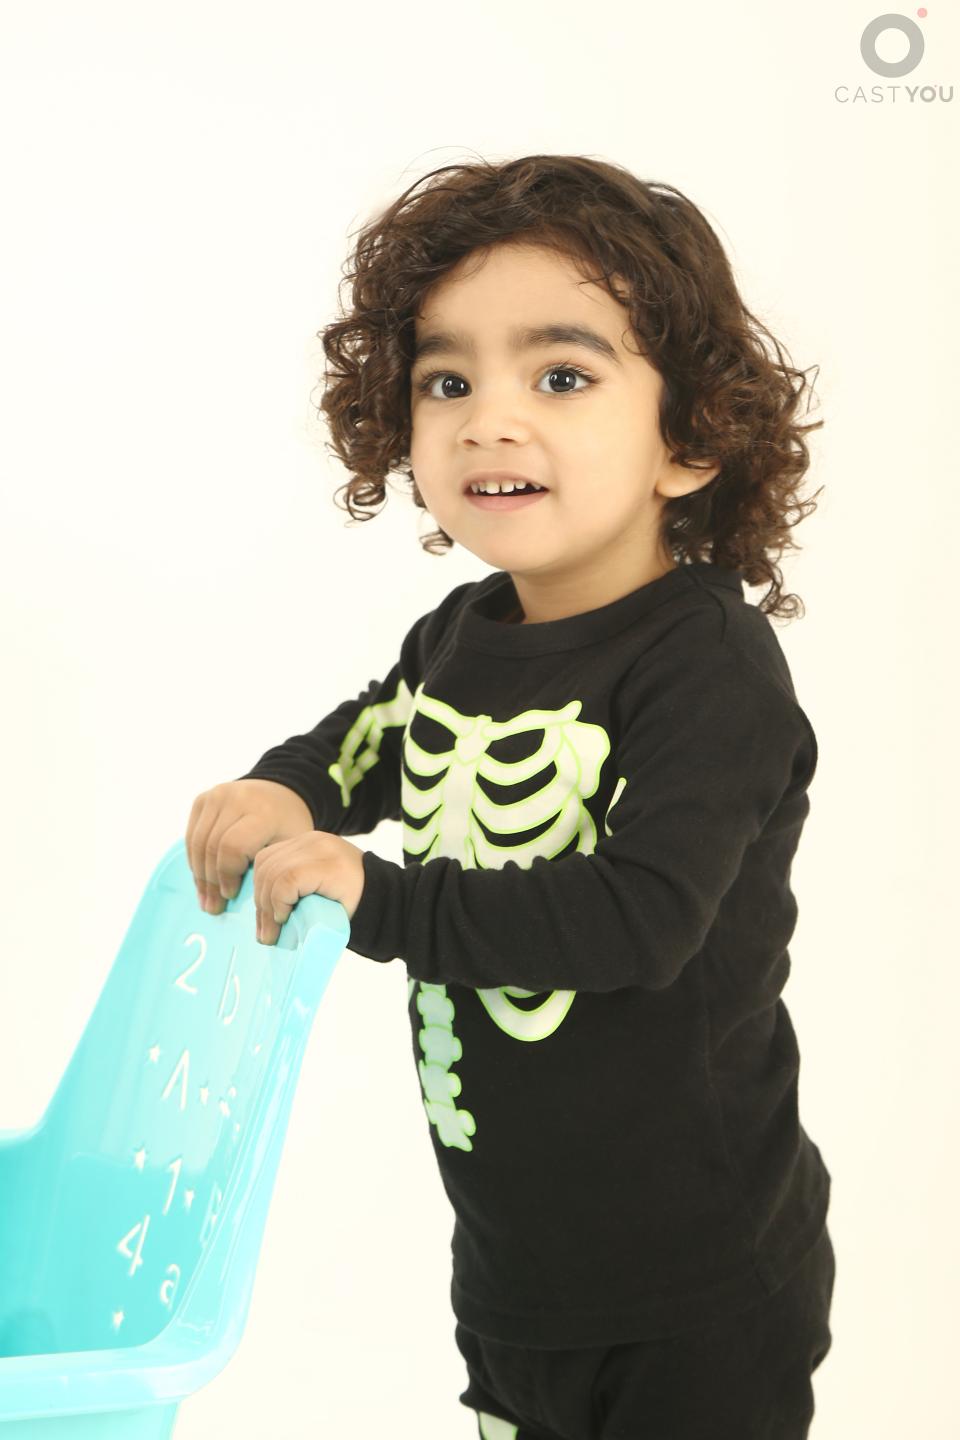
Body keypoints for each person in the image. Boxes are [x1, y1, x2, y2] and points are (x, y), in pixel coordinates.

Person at [185, 154, 836, 1439]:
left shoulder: (707, 666)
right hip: (515, 1274)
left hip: (698, 1283)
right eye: (447, 381)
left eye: (561, 377)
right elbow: (365, 745)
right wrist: (281, 787)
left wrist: (376, 897)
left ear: (693, 439)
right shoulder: (461, 637)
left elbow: (641, 918)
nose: (488, 419)